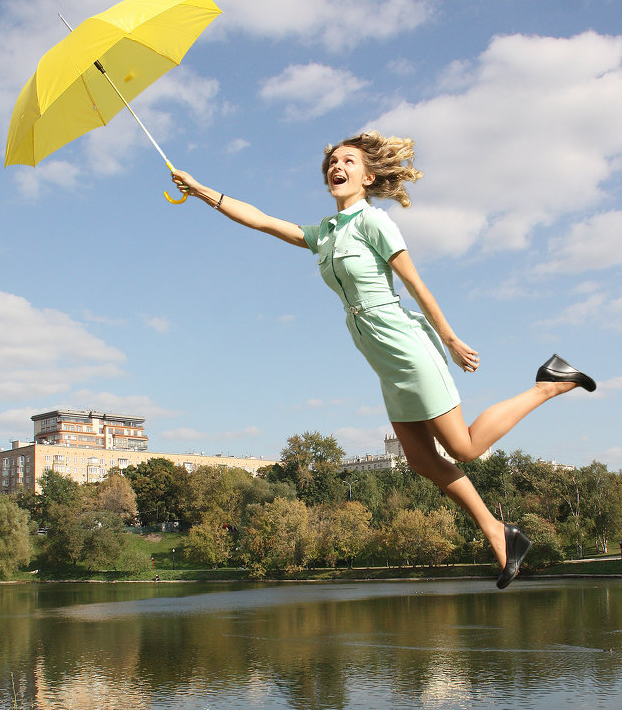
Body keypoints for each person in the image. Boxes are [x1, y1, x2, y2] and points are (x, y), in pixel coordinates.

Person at [171, 130, 596, 589]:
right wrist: (200, 191)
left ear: (368, 176)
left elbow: (415, 284)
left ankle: (549, 382)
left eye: (348, 161)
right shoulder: (326, 234)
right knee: (419, 461)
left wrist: (449, 339)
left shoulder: (374, 223)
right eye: (332, 162)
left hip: (404, 345)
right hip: (380, 358)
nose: (337, 166)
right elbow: (261, 220)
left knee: (465, 448)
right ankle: (499, 532)